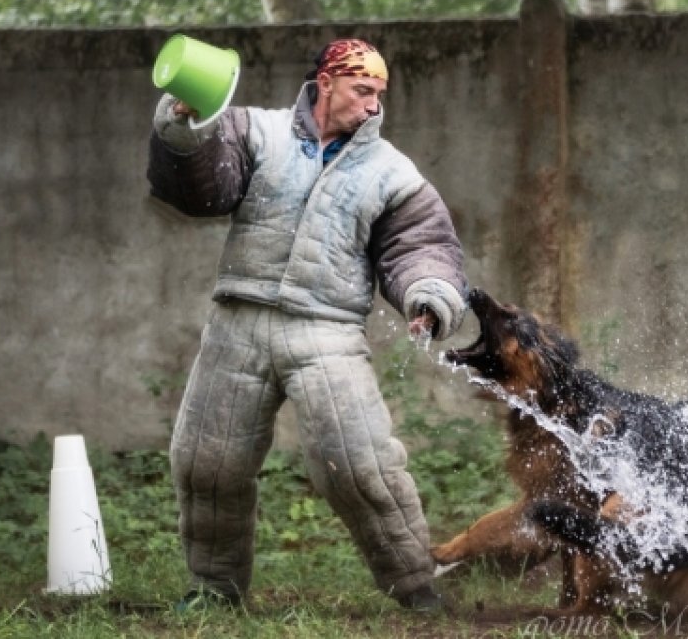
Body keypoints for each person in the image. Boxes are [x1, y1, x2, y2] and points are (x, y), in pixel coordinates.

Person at [147, 38, 468, 613]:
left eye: (379, 95)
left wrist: (427, 293)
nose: (374, 106)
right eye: (362, 90)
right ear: (325, 83)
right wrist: (185, 131)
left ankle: (418, 587)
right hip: (237, 321)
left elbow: (420, 244)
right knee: (205, 463)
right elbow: (203, 192)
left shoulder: (392, 171)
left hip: (327, 331)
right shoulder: (253, 130)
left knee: (360, 465)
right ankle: (214, 590)